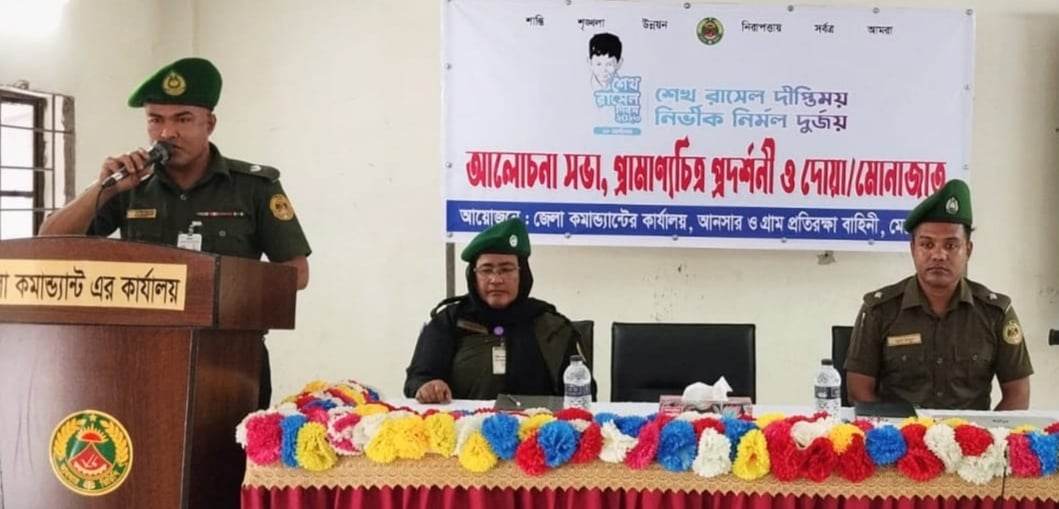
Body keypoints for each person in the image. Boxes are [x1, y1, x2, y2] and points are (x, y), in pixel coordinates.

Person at [38, 57, 312, 408]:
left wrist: (219, 289)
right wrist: (103, 189)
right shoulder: (129, 187)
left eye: (182, 119)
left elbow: (297, 272)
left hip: (230, 359)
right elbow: (49, 241)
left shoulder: (253, 187)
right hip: (139, 356)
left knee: (229, 445)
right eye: (156, 120)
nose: (167, 133)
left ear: (209, 124)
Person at [844, 179, 1032, 410]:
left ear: (968, 250)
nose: (939, 255)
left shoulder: (995, 313)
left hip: (972, 432)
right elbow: (859, 391)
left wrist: (988, 431)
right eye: (927, 245)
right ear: (913, 249)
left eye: (951, 245)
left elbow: (1018, 395)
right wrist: (893, 432)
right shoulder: (880, 310)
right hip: (899, 432)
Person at [404, 218, 590, 403]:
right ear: (473, 276)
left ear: (522, 274)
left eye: (506, 269)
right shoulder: (450, 320)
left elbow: (584, 394)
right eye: (486, 270)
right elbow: (418, 379)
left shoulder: (551, 325)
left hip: (541, 421)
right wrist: (428, 386)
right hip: (464, 421)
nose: (496, 279)